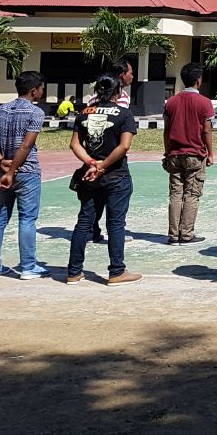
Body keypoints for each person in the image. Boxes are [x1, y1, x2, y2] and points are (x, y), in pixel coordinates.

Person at [66, 72, 140, 285]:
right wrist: (103, 166)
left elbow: (75, 144)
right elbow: (124, 146)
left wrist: (92, 163)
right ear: (118, 91)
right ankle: (116, 271)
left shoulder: (84, 113)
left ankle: (74, 271)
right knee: (116, 223)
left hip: (90, 175)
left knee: (84, 222)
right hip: (116, 174)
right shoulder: (124, 114)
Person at [0, 71, 48, 280]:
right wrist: (11, 171)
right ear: (33, 90)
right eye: (41, 88)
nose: (42, 91)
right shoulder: (35, 113)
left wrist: (1, 162)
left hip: (1, 172)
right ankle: (28, 267)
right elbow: (27, 145)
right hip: (26, 172)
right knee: (27, 219)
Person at [162, 62, 214, 245]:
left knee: (175, 194)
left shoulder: (171, 102)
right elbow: (206, 131)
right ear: (199, 81)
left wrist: (167, 152)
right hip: (195, 153)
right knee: (191, 194)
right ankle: (186, 234)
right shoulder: (205, 102)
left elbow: (166, 131)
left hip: (175, 154)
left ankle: (173, 235)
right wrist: (211, 153)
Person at [85, 58, 133, 245]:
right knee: (116, 197)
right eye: (130, 72)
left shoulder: (93, 98)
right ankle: (115, 233)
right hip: (111, 155)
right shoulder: (121, 99)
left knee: (93, 198)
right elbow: (117, 125)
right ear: (121, 76)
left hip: (92, 153)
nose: (132, 76)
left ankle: (92, 230)